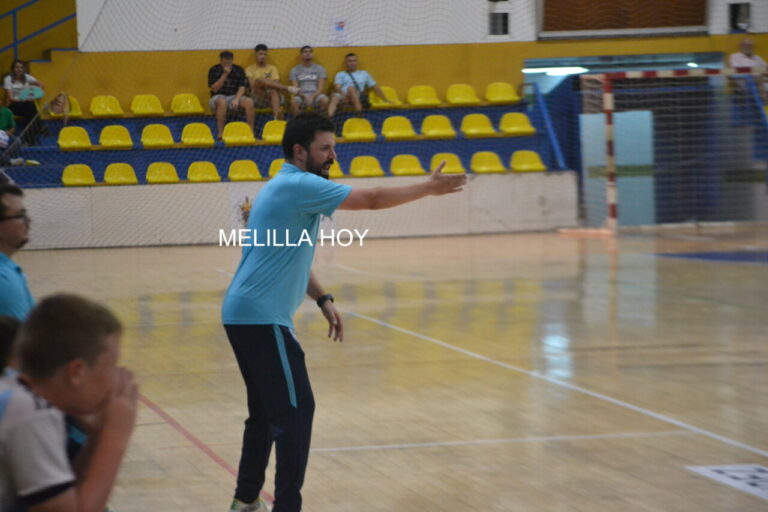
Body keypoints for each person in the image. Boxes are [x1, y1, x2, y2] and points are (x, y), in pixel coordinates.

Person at [222, 112, 467, 512]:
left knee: (266, 413)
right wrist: (427, 188)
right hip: (262, 317)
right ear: (300, 151)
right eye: (325, 148)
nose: (333, 155)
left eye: (333, 147)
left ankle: (246, 499)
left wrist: (322, 298)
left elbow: (289, 259)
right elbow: (369, 199)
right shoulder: (301, 184)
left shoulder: (282, 185)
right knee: (296, 412)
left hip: (243, 314)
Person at [0, 293, 138, 512]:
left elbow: (66, 498)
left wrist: (96, 437)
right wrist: (116, 434)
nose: (116, 377)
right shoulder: (29, 411)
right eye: (111, 366)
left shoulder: (18, 392)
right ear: (77, 372)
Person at [0, 184, 34, 320]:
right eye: (20, 216)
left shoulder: (8, 268)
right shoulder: (3, 281)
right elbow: (21, 339)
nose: (29, 220)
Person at [208, 51, 255, 140]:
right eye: (225, 63)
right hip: (218, 96)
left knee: (249, 102)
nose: (227, 65)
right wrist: (225, 74)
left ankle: (251, 132)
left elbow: (242, 87)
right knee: (222, 102)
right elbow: (214, 89)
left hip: (234, 96)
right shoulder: (214, 70)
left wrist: (237, 99)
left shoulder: (239, 69)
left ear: (232, 61)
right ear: (221, 61)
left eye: (229, 62)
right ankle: (220, 133)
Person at [246, 44, 299, 121]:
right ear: (256, 55)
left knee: (273, 91)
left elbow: (276, 85)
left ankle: (276, 118)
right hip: (258, 97)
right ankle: (287, 88)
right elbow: (253, 86)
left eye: (265, 54)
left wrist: (267, 84)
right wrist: (265, 83)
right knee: (259, 80)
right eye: (260, 54)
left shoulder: (272, 68)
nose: (263, 56)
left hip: (271, 96)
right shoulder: (249, 69)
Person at [328, 53, 391, 117]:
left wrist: (385, 99)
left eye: (354, 61)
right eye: (349, 61)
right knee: (334, 98)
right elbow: (337, 87)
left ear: (357, 62)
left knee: (351, 88)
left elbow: (375, 87)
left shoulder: (364, 73)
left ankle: (359, 113)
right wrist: (343, 94)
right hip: (343, 94)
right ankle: (330, 117)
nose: (352, 63)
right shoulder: (340, 74)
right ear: (346, 63)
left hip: (357, 94)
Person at [3, 60, 45, 145]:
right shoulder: (8, 79)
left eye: (21, 67)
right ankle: (40, 126)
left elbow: (41, 84)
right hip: (14, 104)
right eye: (17, 67)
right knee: (30, 107)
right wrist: (24, 100)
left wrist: (34, 94)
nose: (19, 69)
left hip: (26, 105)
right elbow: (10, 98)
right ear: (13, 69)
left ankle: (29, 141)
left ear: (24, 69)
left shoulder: (27, 77)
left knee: (29, 111)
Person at [288, 46, 329, 117]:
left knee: (325, 100)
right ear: (301, 55)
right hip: (301, 95)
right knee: (294, 102)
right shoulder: (294, 70)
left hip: (316, 95)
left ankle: (320, 122)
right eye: (305, 52)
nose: (308, 53)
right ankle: (299, 123)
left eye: (310, 51)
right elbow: (295, 88)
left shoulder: (320, 68)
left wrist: (313, 96)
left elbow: (320, 88)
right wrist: (304, 96)